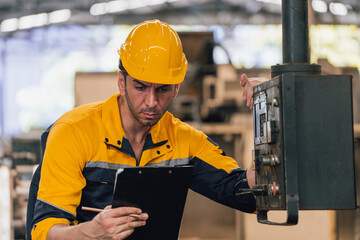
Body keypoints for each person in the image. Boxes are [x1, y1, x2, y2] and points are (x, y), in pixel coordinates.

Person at [28, 19, 257, 240]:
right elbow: (45, 231)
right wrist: (93, 233)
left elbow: (244, 194)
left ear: (176, 88)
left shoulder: (184, 141)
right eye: (140, 87)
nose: (151, 102)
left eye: (162, 90)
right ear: (121, 82)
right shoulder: (73, 133)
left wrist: (267, 112)